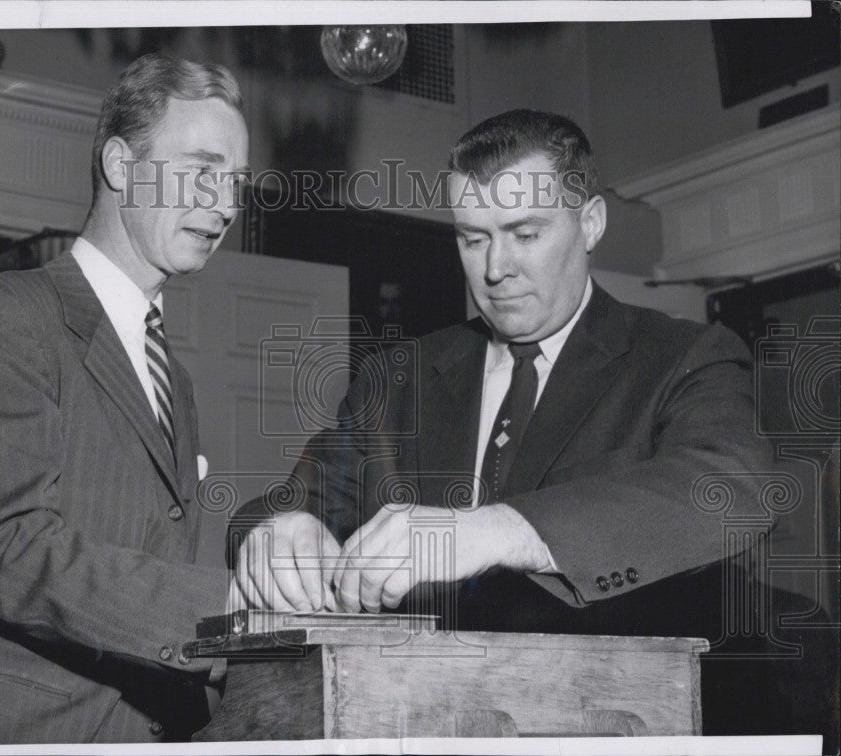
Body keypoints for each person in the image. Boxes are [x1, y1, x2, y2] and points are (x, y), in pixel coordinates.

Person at [229, 109, 773, 639]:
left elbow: (731, 485)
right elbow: (285, 503)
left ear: (591, 224)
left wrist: (499, 529)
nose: (494, 269)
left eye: (525, 234)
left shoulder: (684, 354)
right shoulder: (399, 378)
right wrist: (276, 530)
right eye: (473, 238)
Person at [0, 52, 249, 744]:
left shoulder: (175, 376)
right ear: (119, 164)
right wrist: (224, 607)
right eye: (202, 171)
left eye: (235, 182)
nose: (226, 206)